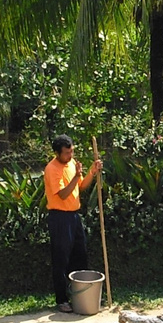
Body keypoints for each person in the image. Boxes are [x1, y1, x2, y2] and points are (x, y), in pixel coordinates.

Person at [43, 134, 102, 313]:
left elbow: (81, 186)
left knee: (80, 255)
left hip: (74, 216)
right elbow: (62, 194)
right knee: (61, 258)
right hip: (60, 217)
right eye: (67, 153)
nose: (70, 155)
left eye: (71, 152)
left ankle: (81, 295)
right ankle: (62, 299)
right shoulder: (52, 169)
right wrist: (76, 176)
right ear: (57, 153)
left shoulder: (71, 164)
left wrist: (92, 171)